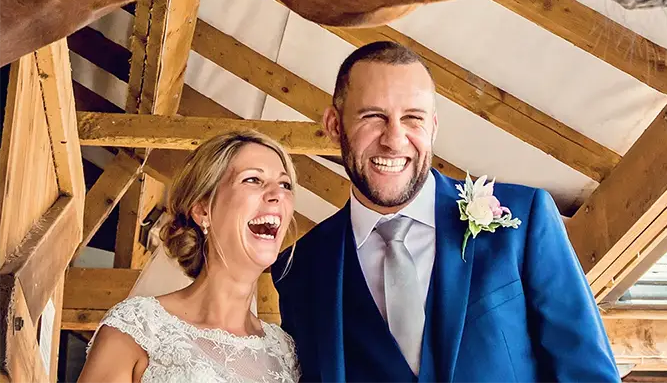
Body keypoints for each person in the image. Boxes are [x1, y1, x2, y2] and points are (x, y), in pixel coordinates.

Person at [273, 41, 621, 382]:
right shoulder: (300, 269)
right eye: (373, 117)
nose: (394, 139)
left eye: (413, 118)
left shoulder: (524, 220)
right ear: (335, 125)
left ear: (434, 127)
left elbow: (588, 372)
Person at [79, 130, 301, 383]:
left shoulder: (285, 352)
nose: (278, 194)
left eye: (285, 185)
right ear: (202, 210)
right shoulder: (139, 327)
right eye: (252, 179)